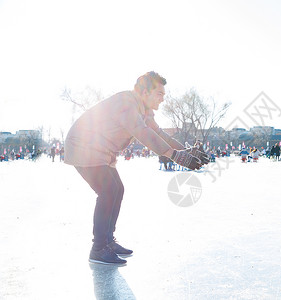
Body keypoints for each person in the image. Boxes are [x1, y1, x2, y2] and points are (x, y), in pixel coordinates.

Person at [64, 71, 209, 265]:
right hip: (83, 146)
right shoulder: (126, 103)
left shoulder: (144, 110)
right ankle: (98, 248)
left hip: (99, 150)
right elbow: (142, 133)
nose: (163, 99)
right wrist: (174, 156)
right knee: (108, 191)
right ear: (144, 92)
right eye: (159, 94)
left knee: (117, 189)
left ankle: (107, 242)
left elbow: (158, 134)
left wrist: (186, 151)